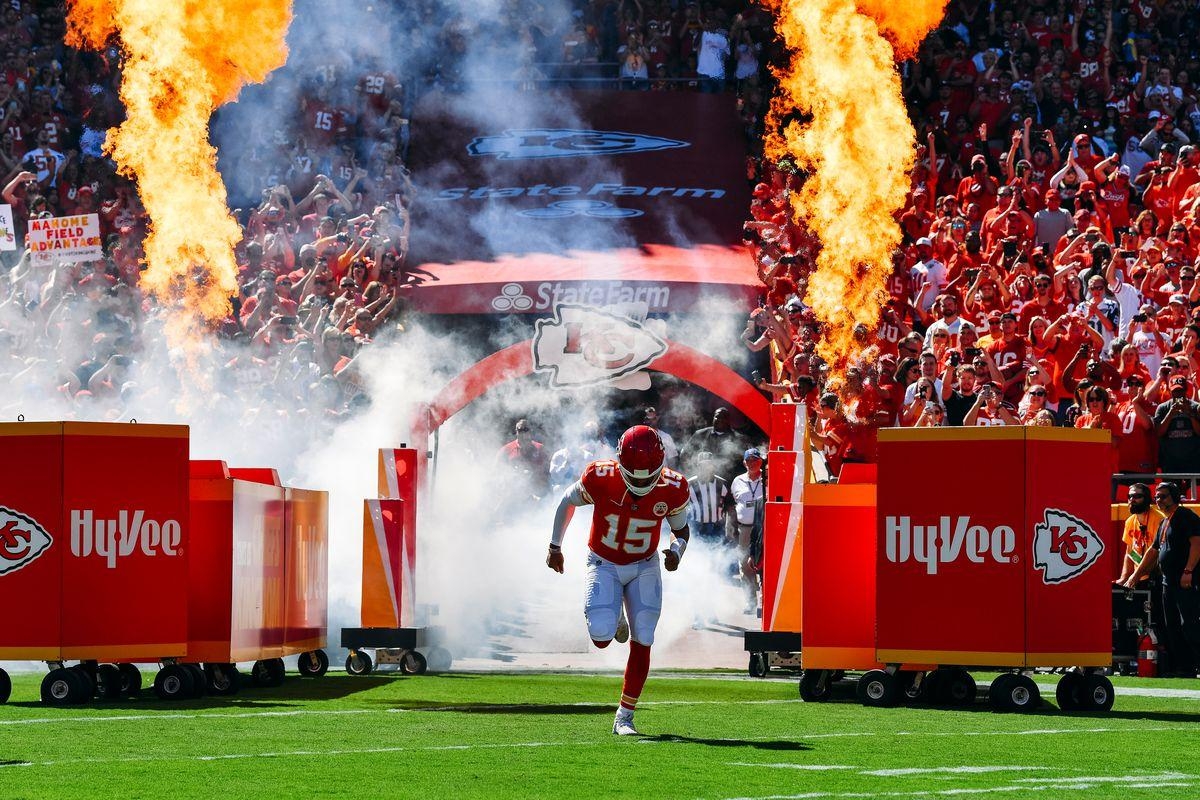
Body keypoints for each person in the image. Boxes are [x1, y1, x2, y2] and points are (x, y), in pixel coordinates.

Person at [546, 425, 691, 736]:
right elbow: (566, 501)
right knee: (600, 635)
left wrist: (677, 552)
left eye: (646, 476)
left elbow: (681, 531)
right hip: (604, 562)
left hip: (644, 564)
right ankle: (615, 618)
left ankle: (624, 717)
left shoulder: (673, 486)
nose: (640, 482)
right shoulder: (600, 477)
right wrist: (554, 546)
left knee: (645, 637)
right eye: (634, 475)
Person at [1124, 482, 1200, 677]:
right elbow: (1152, 551)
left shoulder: (1186, 517)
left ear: (1174, 497)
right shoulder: (1165, 522)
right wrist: (1134, 575)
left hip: (1185, 579)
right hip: (1168, 581)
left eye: (1163, 496)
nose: (1159, 500)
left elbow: (1196, 544)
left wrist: (1189, 570)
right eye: (1157, 497)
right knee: (1172, 625)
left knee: (1189, 624)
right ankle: (1185, 667)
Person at [730, 448, 765, 614]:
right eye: (749, 460)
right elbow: (733, 504)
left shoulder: (767, 479)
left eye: (755, 460)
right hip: (744, 529)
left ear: (761, 462)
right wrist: (731, 526)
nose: (752, 463)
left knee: (763, 564)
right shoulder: (737, 481)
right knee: (745, 564)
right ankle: (750, 601)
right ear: (744, 463)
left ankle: (764, 601)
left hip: (763, 528)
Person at [1116, 483, 1162, 588]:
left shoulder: (1159, 519)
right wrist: (1124, 578)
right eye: (1130, 496)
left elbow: (1156, 552)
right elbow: (1129, 552)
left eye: (1137, 496)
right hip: (1138, 577)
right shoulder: (1129, 521)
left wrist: (1135, 576)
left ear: (1147, 499)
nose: (1132, 499)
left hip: (1156, 576)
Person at [686, 451, 731, 547]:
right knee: (697, 554)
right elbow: (682, 508)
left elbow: (729, 507)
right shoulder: (689, 484)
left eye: (708, 465)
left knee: (718, 555)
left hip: (717, 527)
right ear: (698, 466)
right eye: (703, 465)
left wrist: (731, 528)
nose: (706, 468)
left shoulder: (722, 483)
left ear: (713, 466)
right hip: (697, 526)